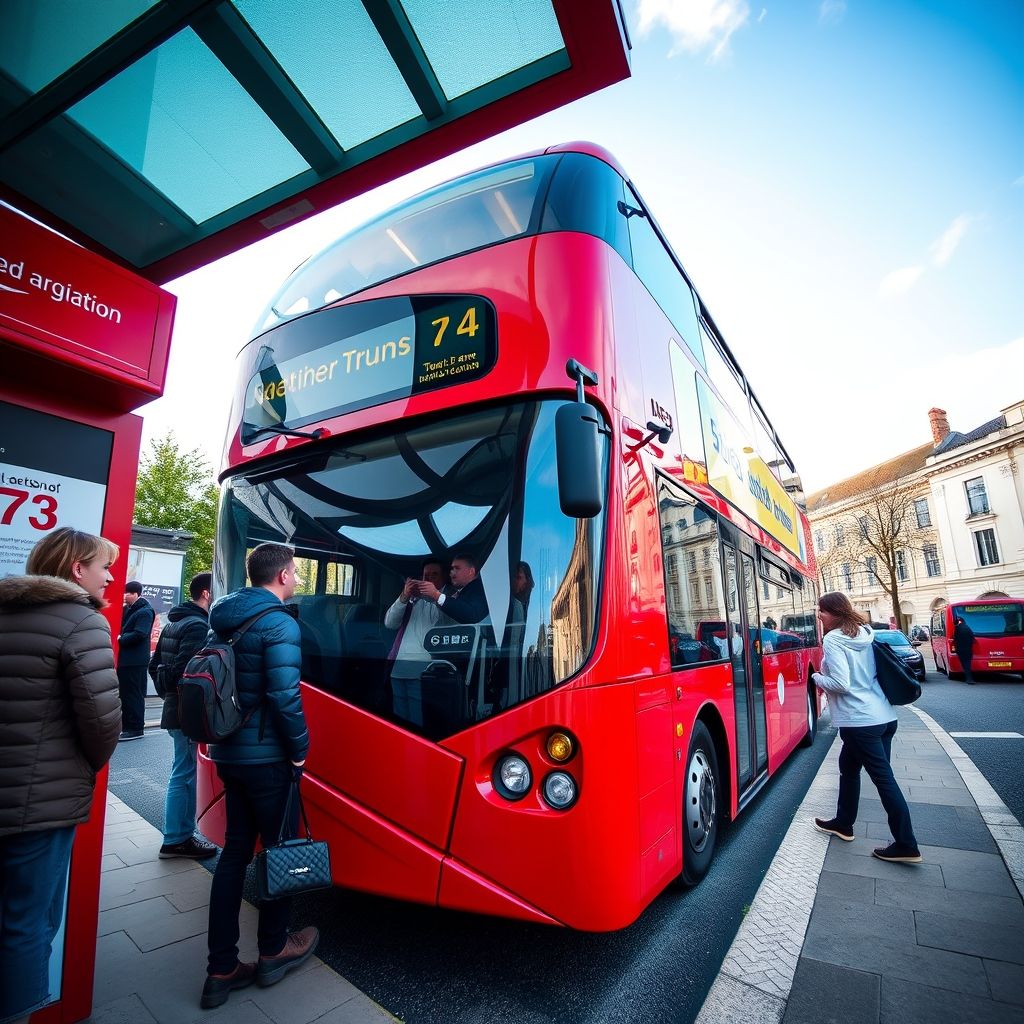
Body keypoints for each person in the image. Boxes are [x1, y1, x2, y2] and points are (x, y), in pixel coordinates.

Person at [0, 527, 122, 1024]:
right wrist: (81, 768)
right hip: (40, 804)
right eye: (104, 566)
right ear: (77, 570)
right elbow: (102, 721)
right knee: (28, 924)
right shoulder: (81, 620)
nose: (111, 576)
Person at [201, 543, 317, 1010]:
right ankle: (273, 949)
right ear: (286, 574)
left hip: (229, 751)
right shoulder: (279, 622)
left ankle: (221, 968)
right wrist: (300, 751)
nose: (297, 579)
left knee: (233, 854)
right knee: (279, 851)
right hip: (268, 757)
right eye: (296, 573)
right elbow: (285, 696)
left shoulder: (222, 618)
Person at [811, 591, 921, 864]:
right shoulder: (864, 633)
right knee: (848, 768)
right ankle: (843, 823)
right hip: (883, 717)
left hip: (860, 721)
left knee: (884, 780)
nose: (819, 615)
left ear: (834, 613)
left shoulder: (833, 639)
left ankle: (906, 844)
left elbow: (841, 684)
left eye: (822, 611)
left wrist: (815, 677)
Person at [148, 572, 218, 860]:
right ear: (205, 594)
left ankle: (178, 835)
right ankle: (177, 838)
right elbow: (186, 672)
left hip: (173, 707)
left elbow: (155, 666)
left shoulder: (174, 622)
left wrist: (167, 695)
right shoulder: (198, 626)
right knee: (185, 773)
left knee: (183, 769)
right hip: (185, 712)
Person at [384, 559, 447, 727]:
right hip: (399, 667)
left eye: (435, 575)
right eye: (426, 575)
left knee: (417, 723)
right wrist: (404, 597)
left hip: (423, 670)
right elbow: (389, 623)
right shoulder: (412, 599)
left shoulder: (446, 599)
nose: (430, 579)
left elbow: (441, 626)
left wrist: (434, 597)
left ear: (443, 578)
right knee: (399, 723)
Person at [116, 579, 155, 741]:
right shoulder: (131, 609)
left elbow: (140, 633)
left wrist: (120, 639)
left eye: (127, 593)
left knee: (133, 694)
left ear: (136, 594)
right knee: (126, 693)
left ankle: (135, 727)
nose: (124, 596)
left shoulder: (144, 612)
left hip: (135, 660)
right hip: (128, 660)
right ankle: (127, 726)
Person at [417, 553, 488, 624]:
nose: (452, 572)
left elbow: (472, 615)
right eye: (452, 569)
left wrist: (437, 595)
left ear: (471, 571)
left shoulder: (480, 588)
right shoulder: (462, 591)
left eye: (457, 568)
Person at [952, 615, 976, 685]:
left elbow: (955, 639)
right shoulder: (968, 628)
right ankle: (969, 678)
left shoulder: (957, 628)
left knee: (965, 664)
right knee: (967, 664)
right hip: (968, 649)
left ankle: (968, 679)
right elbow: (972, 639)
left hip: (960, 649)